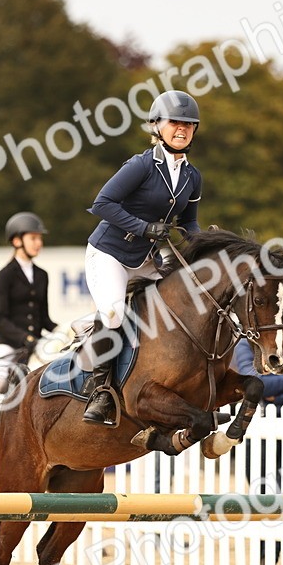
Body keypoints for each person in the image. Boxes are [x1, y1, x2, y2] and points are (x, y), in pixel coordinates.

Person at [81, 89, 203, 426]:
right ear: (157, 126)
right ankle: (101, 390)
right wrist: (144, 227)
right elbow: (102, 204)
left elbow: (188, 223)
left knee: (177, 307)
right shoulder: (141, 165)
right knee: (115, 314)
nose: (182, 129)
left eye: (189, 125)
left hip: (147, 260)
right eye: (175, 123)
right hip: (109, 254)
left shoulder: (192, 177)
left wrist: (204, 245)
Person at [0, 212, 57, 397]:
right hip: (9, 343)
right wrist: (25, 337)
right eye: (33, 238)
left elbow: (44, 317)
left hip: (36, 343)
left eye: (40, 238)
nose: (39, 243)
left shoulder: (42, 275)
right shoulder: (5, 274)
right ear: (17, 241)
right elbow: (1, 318)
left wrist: (64, 330)